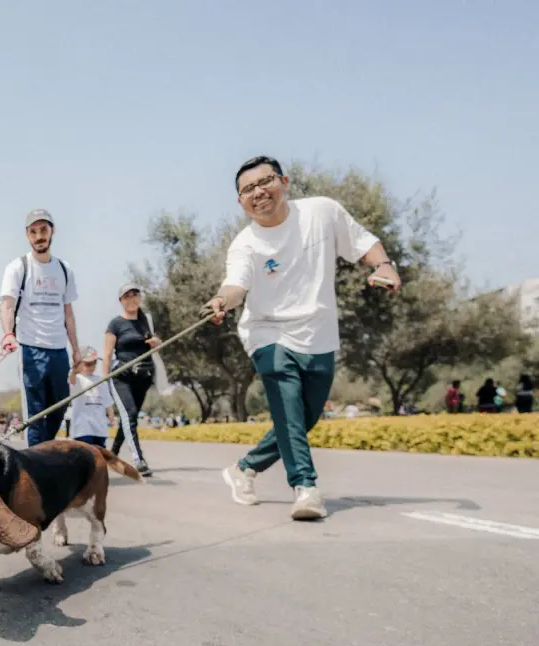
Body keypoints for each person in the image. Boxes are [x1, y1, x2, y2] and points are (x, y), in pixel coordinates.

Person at [205, 155, 401, 521]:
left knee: (303, 417)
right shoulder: (245, 244)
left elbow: (364, 244)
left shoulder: (322, 213)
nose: (258, 192)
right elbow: (236, 285)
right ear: (240, 202)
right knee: (289, 410)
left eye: (265, 182)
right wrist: (221, 301)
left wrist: (383, 266)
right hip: (267, 331)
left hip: (318, 333)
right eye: (248, 189)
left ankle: (244, 468)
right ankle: (306, 487)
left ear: (284, 181)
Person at [0, 209, 80, 447]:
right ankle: (36, 467)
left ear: (52, 231)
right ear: (27, 236)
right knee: (34, 413)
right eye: (33, 232)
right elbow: (7, 306)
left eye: (43, 230)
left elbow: (69, 313)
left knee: (60, 406)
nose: (39, 236)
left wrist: (75, 348)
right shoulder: (18, 267)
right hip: (30, 349)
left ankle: (43, 451)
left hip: (58, 350)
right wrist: (8, 334)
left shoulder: (65, 269)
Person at [102, 281, 164, 477]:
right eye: (127, 296)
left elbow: (157, 344)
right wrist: (105, 380)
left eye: (135, 294)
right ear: (121, 300)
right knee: (128, 414)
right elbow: (108, 353)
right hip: (122, 376)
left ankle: (112, 455)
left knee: (131, 417)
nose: (132, 299)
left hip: (143, 375)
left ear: (140, 297)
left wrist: (156, 342)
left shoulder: (147, 320)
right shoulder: (115, 324)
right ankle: (138, 460)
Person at [67, 347, 114, 447]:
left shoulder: (101, 380)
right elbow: (72, 381)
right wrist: (74, 372)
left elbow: (107, 401)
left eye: (94, 363)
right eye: (87, 364)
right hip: (82, 429)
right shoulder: (78, 379)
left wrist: (111, 415)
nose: (91, 366)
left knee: (100, 456)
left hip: (99, 428)